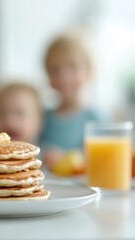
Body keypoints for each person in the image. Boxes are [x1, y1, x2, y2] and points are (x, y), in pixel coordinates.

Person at [40, 31, 99, 168]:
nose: (64, 77)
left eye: (73, 67)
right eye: (55, 70)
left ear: (89, 70)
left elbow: (99, 160)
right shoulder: (43, 117)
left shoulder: (94, 117)